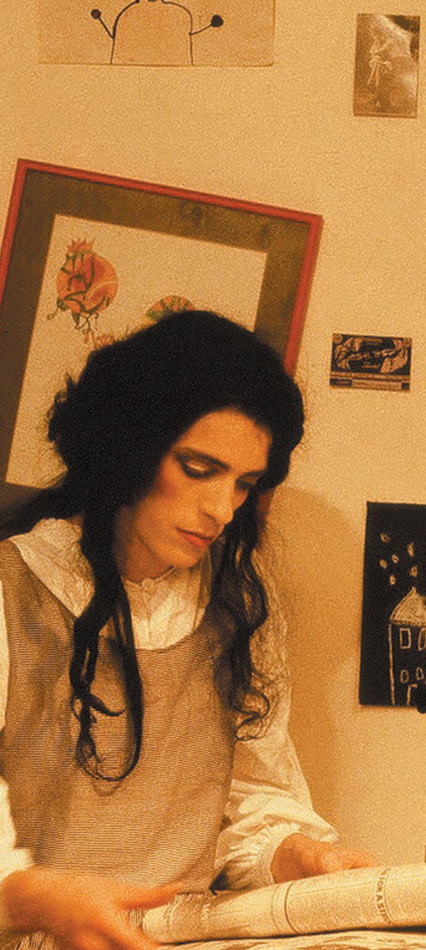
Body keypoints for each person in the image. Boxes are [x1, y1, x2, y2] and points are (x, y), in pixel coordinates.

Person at [0, 311, 373, 950]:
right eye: (199, 468)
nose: (222, 509)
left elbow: (246, 801)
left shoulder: (238, 604)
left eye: (244, 484)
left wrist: (292, 853)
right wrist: (33, 896)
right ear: (128, 447)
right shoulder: (14, 588)